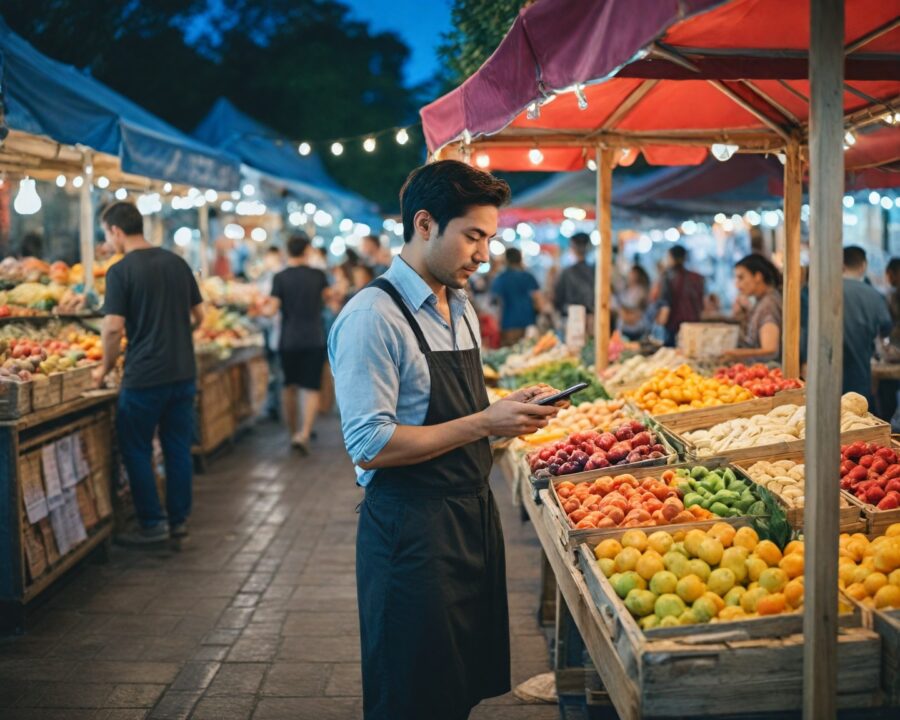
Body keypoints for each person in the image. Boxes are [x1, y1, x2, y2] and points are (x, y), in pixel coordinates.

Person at [328, 160, 561, 720]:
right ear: (426, 224)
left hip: (469, 520)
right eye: (473, 236)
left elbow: (461, 409)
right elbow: (371, 445)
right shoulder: (372, 317)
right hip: (410, 533)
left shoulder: (459, 306)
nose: (484, 255)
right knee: (410, 695)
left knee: (456, 689)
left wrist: (505, 409)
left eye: (490, 238)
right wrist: (486, 422)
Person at [92, 202, 204, 544]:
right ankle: (179, 520)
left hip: (143, 376)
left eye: (106, 235)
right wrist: (175, 331)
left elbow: (112, 329)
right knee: (177, 448)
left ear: (115, 231)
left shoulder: (120, 270)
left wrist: (104, 368)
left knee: (137, 448)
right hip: (183, 372)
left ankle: (153, 524)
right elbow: (200, 316)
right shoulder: (177, 262)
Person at [269, 233, 330, 453]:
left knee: (289, 386)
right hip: (314, 337)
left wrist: (260, 308)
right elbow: (331, 300)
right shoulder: (318, 275)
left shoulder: (280, 277)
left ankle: (292, 431)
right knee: (311, 387)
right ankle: (304, 432)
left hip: (289, 340)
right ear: (307, 250)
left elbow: (272, 309)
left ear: (288, 251)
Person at [842, 246, 893, 401]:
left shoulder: (822, 292)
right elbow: (886, 328)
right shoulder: (874, 295)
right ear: (863, 266)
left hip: (826, 377)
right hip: (859, 375)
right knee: (859, 419)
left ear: (841, 265)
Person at [723, 253, 783, 363]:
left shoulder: (768, 305)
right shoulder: (762, 300)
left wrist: (734, 354)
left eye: (741, 278)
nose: (737, 285)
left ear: (758, 277)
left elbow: (770, 349)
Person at [491, 247, 541, 346]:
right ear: (520, 259)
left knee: (511, 355)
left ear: (506, 260)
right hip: (529, 322)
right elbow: (537, 299)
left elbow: (496, 302)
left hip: (508, 323)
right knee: (529, 354)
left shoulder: (501, 278)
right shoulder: (528, 276)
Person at [656, 245, 704, 346]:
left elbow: (666, 304)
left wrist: (659, 323)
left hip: (674, 325)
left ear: (671, 257)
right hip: (693, 323)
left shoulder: (668, 276)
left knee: (672, 356)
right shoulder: (697, 277)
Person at [553, 232, 594, 320]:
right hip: (593, 317)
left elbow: (557, 298)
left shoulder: (566, 272)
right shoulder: (595, 271)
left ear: (573, 247)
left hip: (571, 317)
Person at [617, 264, 650, 341]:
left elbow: (637, 311)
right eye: (630, 273)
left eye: (632, 273)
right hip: (623, 327)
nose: (630, 275)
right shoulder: (625, 288)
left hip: (636, 329)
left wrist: (625, 312)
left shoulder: (641, 291)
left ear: (638, 275)